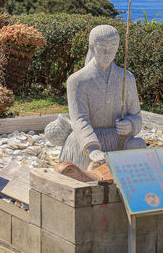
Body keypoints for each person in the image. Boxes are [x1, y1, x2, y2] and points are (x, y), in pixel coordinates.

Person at [58, 24, 145, 170]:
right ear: (92, 47)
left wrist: (130, 124)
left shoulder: (126, 78)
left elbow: (136, 115)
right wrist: (92, 148)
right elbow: (79, 119)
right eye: (102, 48)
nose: (107, 53)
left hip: (118, 138)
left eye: (112, 48)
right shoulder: (77, 80)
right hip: (88, 140)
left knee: (138, 146)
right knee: (88, 169)